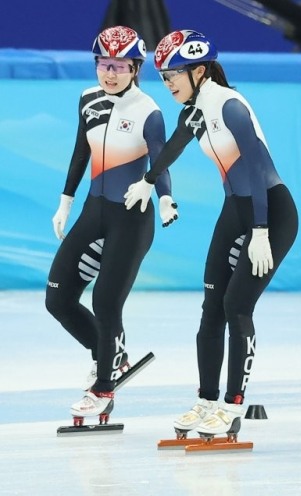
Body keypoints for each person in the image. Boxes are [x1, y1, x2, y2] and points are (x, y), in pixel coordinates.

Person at [124, 30, 298, 438]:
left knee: (237, 305)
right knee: (210, 308)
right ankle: (206, 401)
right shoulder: (194, 112)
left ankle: (232, 406)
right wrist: (149, 181)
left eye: (173, 77)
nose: (168, 86)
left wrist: (259, 231)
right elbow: (170, 150)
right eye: (164, 78)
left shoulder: (230, 105)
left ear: (199, 71)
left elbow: (256, 168)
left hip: (270, 210)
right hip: (234, 210)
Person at [45, 26, 177, 420]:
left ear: (135, 68)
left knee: (105, 302)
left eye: (120, 65)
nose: (110, 72)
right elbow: (79, 153)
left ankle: (103, 387)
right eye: (104, 64)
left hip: (130, 219)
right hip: (92, 210)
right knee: (58, 297)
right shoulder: (87, 99)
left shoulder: (148, 111)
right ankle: (111, 355)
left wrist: (164, 197)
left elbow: (161, 161)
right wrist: (65, 203)